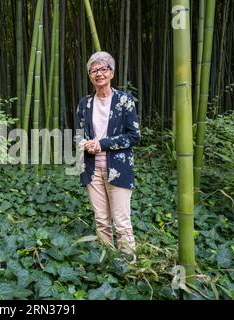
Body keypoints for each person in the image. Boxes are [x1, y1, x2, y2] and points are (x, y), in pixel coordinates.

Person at [76, 51, 140, 254]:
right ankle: (110, 263)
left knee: (121, 221)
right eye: (94, 70)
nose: (99, 73)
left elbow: (133, 135)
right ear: (90, 76)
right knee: (101, 220)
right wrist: (85, 144)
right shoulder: (84, 104)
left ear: (112, 73)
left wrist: (102, 144)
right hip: (92, 169)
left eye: (103, 69)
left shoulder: (124, 100)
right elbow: (79, 135)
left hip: (118, 169)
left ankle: (128, 264)